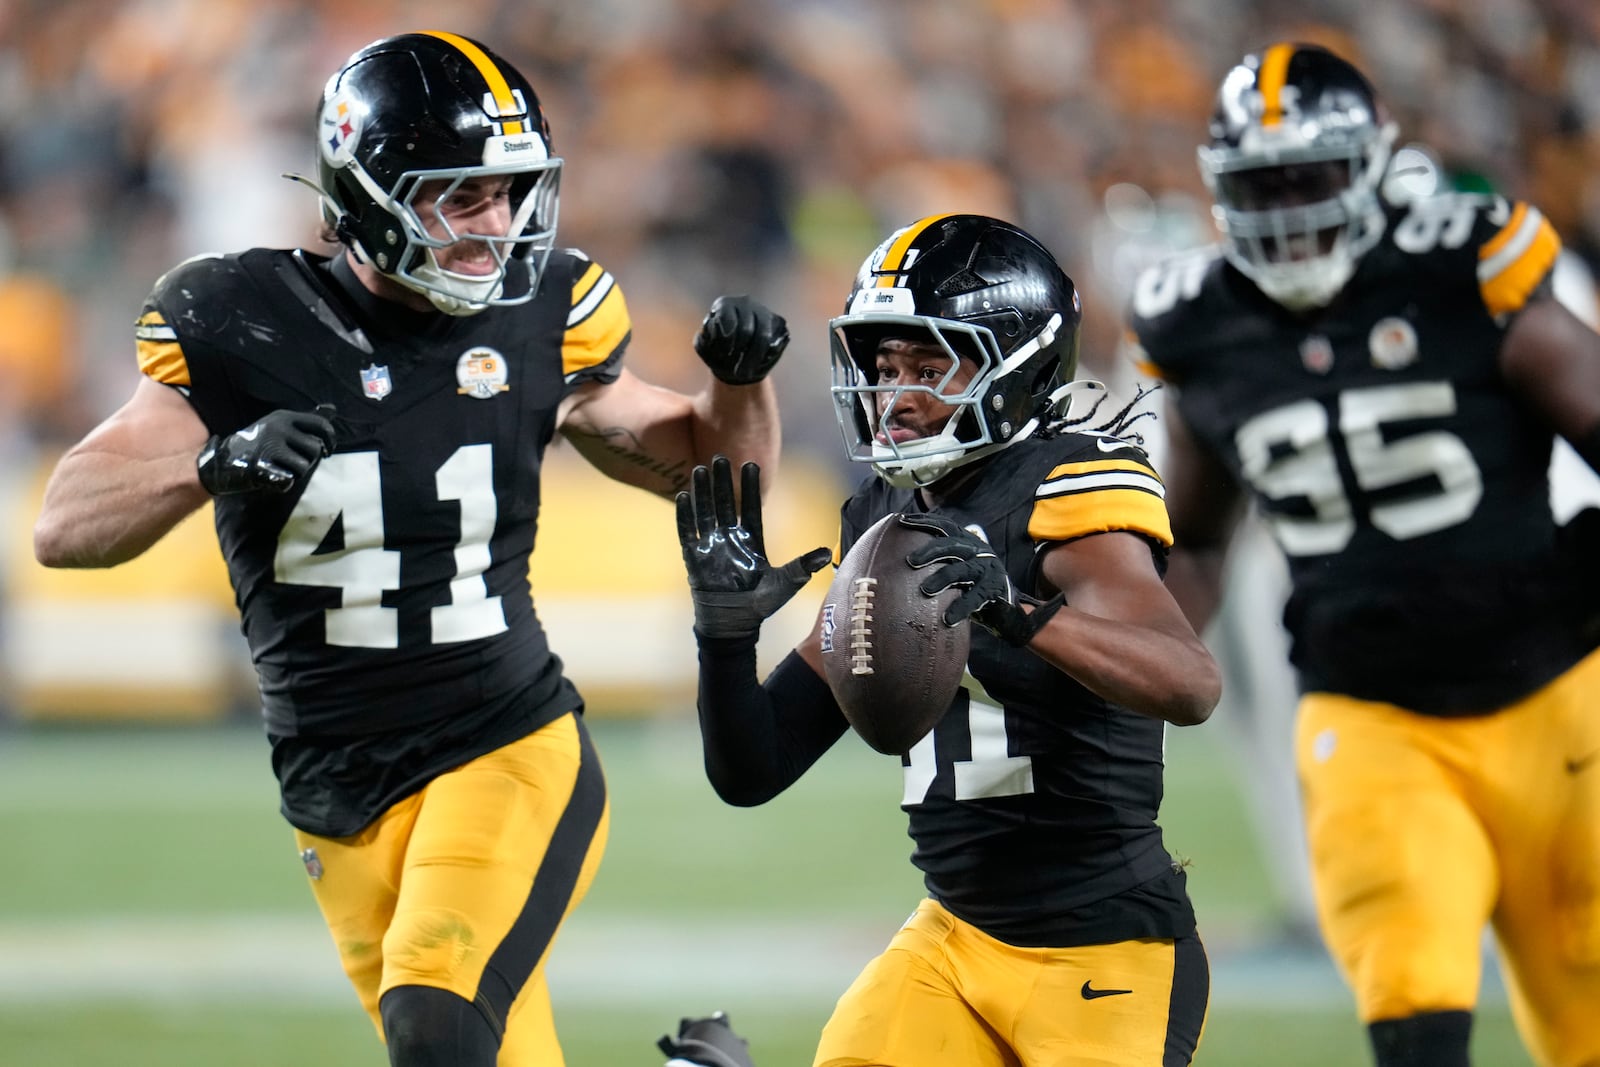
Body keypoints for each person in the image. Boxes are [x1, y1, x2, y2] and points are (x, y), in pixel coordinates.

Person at [31, 30, 790, 1067]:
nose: (496, 226)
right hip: (333, 786)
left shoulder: (544, 312)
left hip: (505, 743)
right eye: (460, 196)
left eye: (510, 192)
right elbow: (65, 525)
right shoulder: (238, 317)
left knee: (436, 1028)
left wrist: (739, 387)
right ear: (363, 195)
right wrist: (205, 467)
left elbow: (720, 479)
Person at [1125, 41, 1600, 1067]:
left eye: (1309, 176)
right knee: (1411, 1000)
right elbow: (1198, 538)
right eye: (1261, 184)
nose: (1288, 207)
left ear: (1375, 163)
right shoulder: (1198, 323)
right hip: (1370, 711)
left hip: (1558, 692)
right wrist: (1131, 659)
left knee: (1586, 1015)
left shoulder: (1460, 268)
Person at [672, 213, 1222, 1066]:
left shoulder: (1069, 486)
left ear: (1019, 365)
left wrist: (1019, 613)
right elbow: (755, 768)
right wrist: (724, 635)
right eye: (885, 366)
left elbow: (1191, 684)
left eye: (929, 367)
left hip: (1105, 950)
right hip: (950, 938)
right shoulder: (885, 516)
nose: (895, 394)